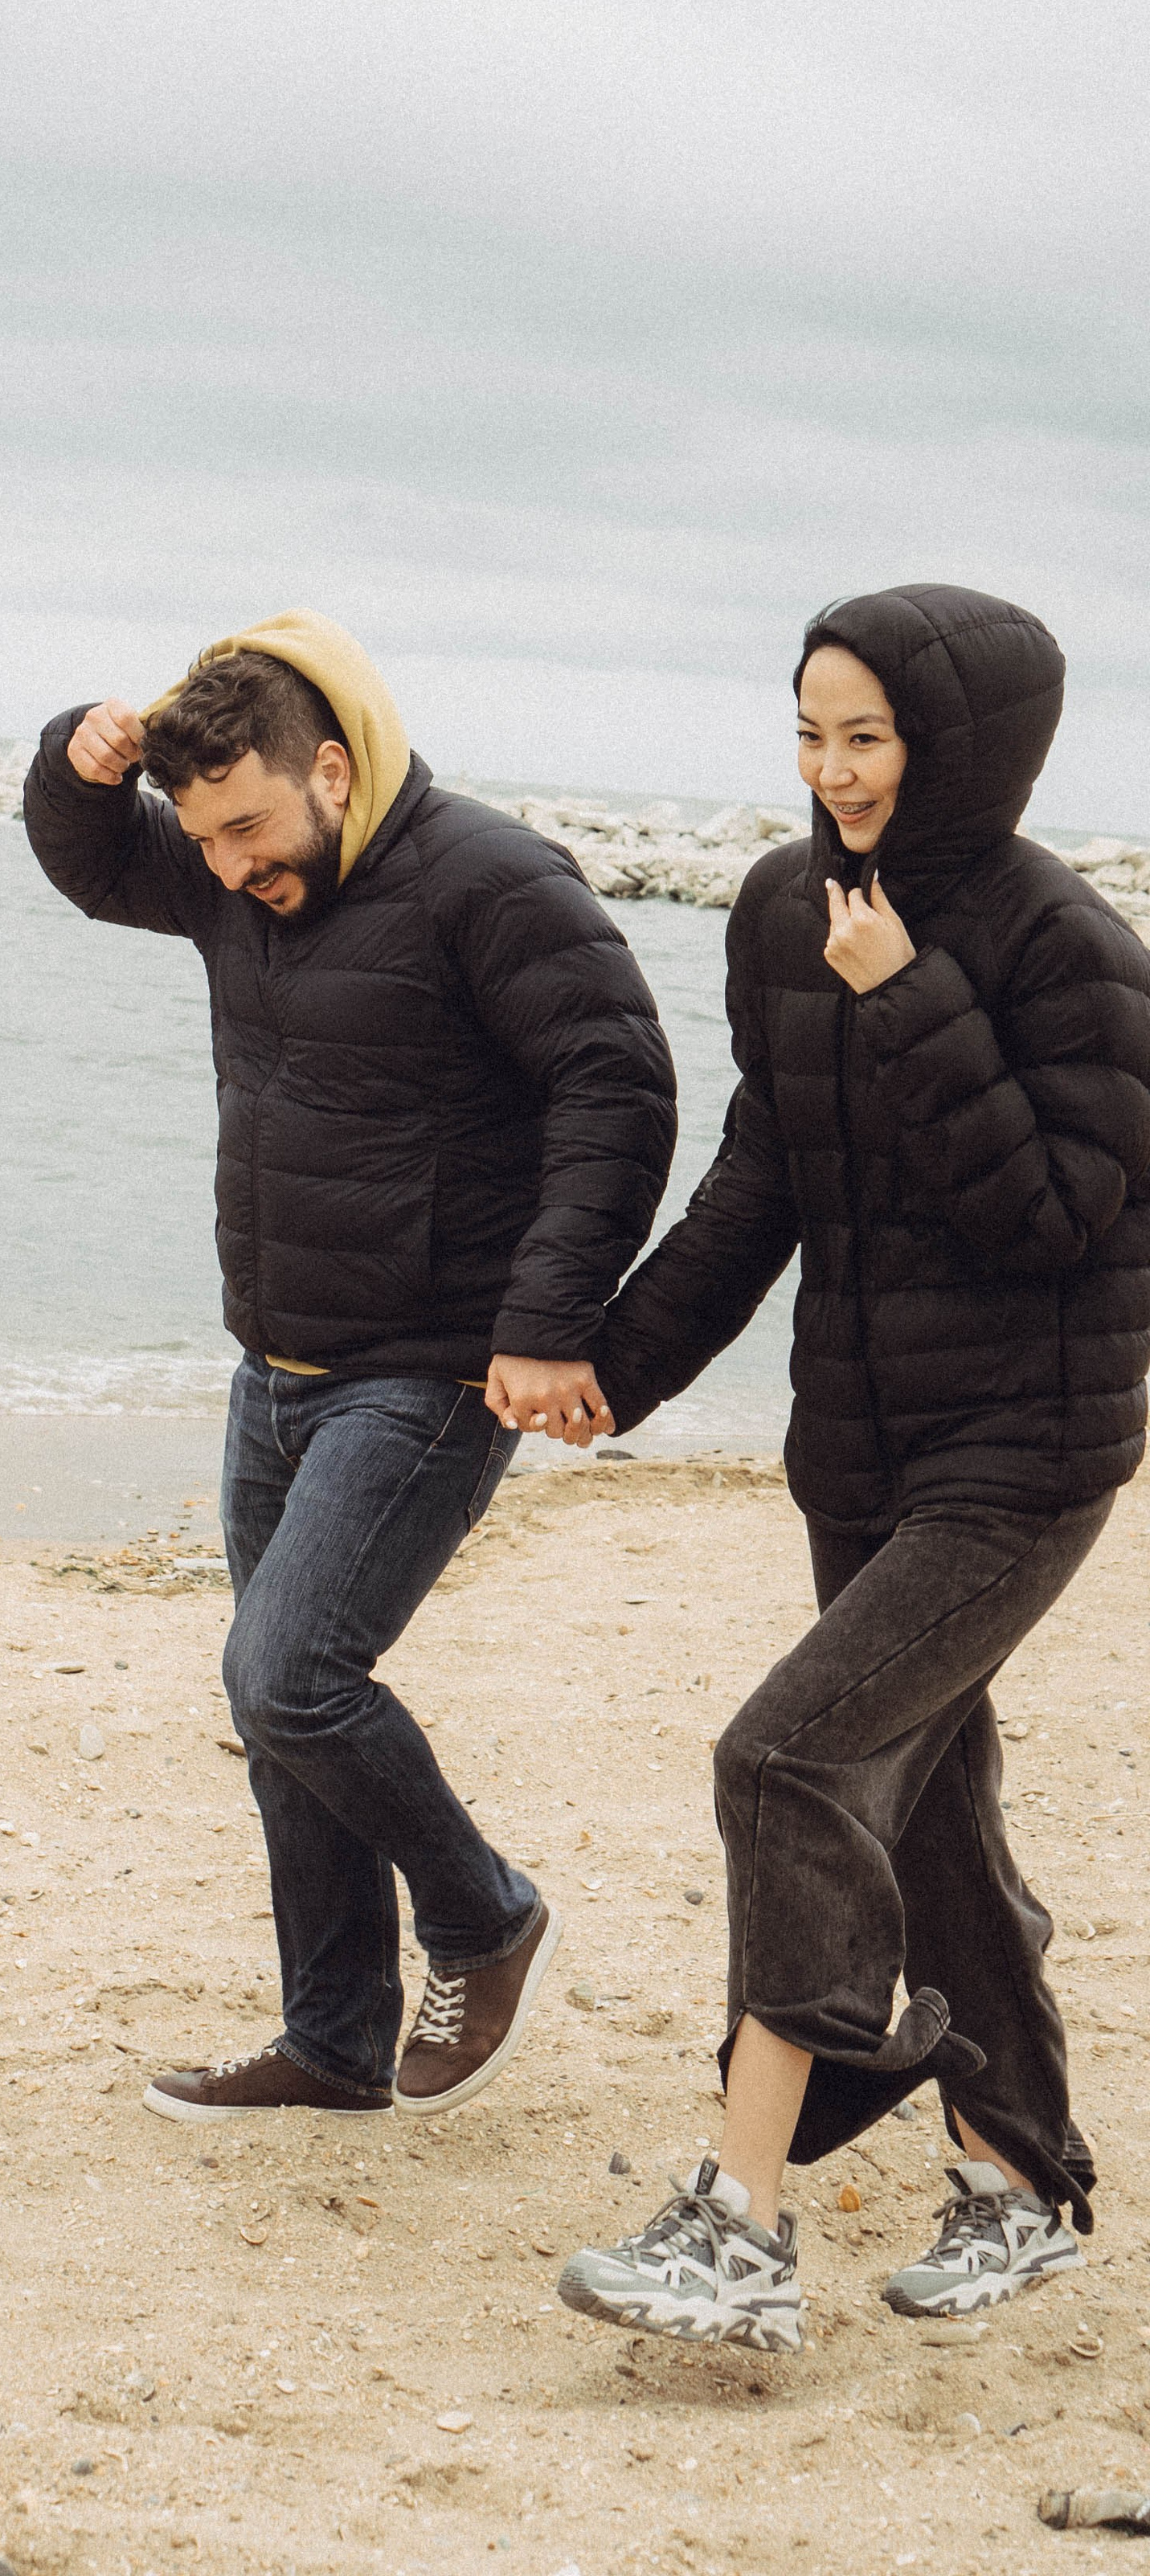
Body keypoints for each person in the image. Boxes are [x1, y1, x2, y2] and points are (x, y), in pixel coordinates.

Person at [558, 583, 1150, 2353]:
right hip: (858, 1448)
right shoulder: (776, 907)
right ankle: (1020, 2183)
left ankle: (740, 2217)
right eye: (807, 735)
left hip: (1023, 1455)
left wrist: (905, 997)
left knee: (783, 1761)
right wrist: (617, 1364)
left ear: (957, 742)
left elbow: (1053, 1220)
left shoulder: (1073, 954)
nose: (832, 772)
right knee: (931, 1815)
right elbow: (764, 1175)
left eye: (866, 737)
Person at [23, 611, 676, 2122]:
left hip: (434, 1366)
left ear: (333, 765)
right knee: (279, 1713)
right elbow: (97, 861)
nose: (236, 867)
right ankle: (330, 2040)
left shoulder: (491, 881)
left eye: (252, 826)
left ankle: (485, 1918)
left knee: (291, 1674)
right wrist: (75, 761)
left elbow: (619, 1087)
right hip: (279, 1357)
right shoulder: (230, 875)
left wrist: (547, 1321)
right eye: (210, 841)